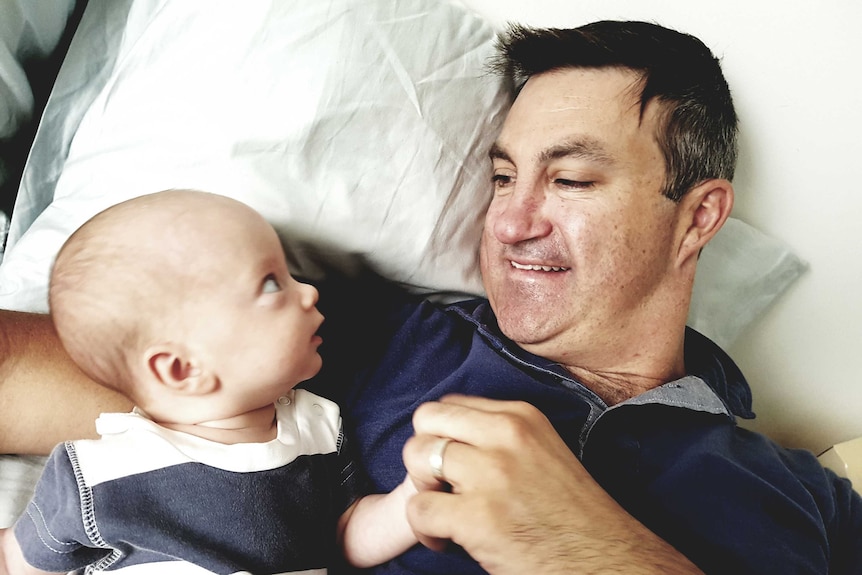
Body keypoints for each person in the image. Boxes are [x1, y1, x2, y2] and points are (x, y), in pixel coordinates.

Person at [0, 19, 860, 575]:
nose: (511, 221)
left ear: (697, 216)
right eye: (500, 175)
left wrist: (579, 545)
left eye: (569, 177)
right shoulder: (362, 337)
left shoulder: (803, 495)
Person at [0, 190, 420, 574]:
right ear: (183, 369)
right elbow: (16, 560)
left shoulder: (319, 432)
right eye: (272, 283)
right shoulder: (97, 474)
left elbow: (344, 535)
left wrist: (409, 503)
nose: (309, 291)